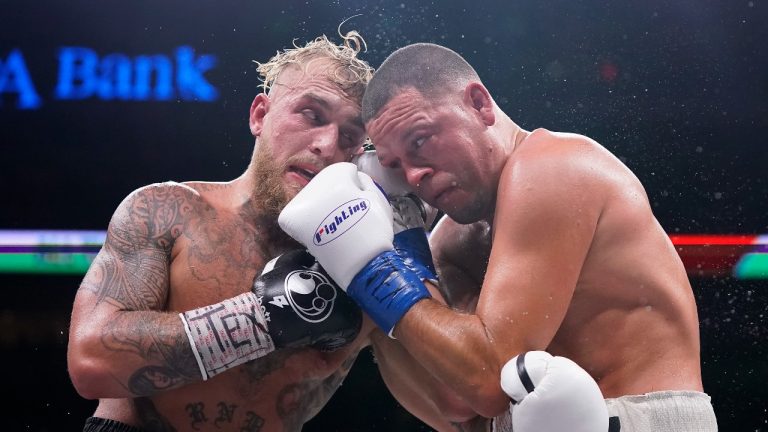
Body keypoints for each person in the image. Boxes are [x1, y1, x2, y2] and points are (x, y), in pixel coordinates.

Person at [278, 42, 718, 431]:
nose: (414, 174)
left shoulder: (552, 167)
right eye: (394, 165)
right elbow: (456, 402)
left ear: (479, 104)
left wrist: (373, 272)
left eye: (421, 140)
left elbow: (488, 379)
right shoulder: (449, 240)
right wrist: (393, 254)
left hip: (640, 418)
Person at [67, 33, 380, 432]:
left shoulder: (354, 265)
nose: (326, 145)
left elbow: (456, 397)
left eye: (351, 136)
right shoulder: (167, 210)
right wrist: (266, 319)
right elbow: (91, 361)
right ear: (260, 116)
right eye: (312, 115)